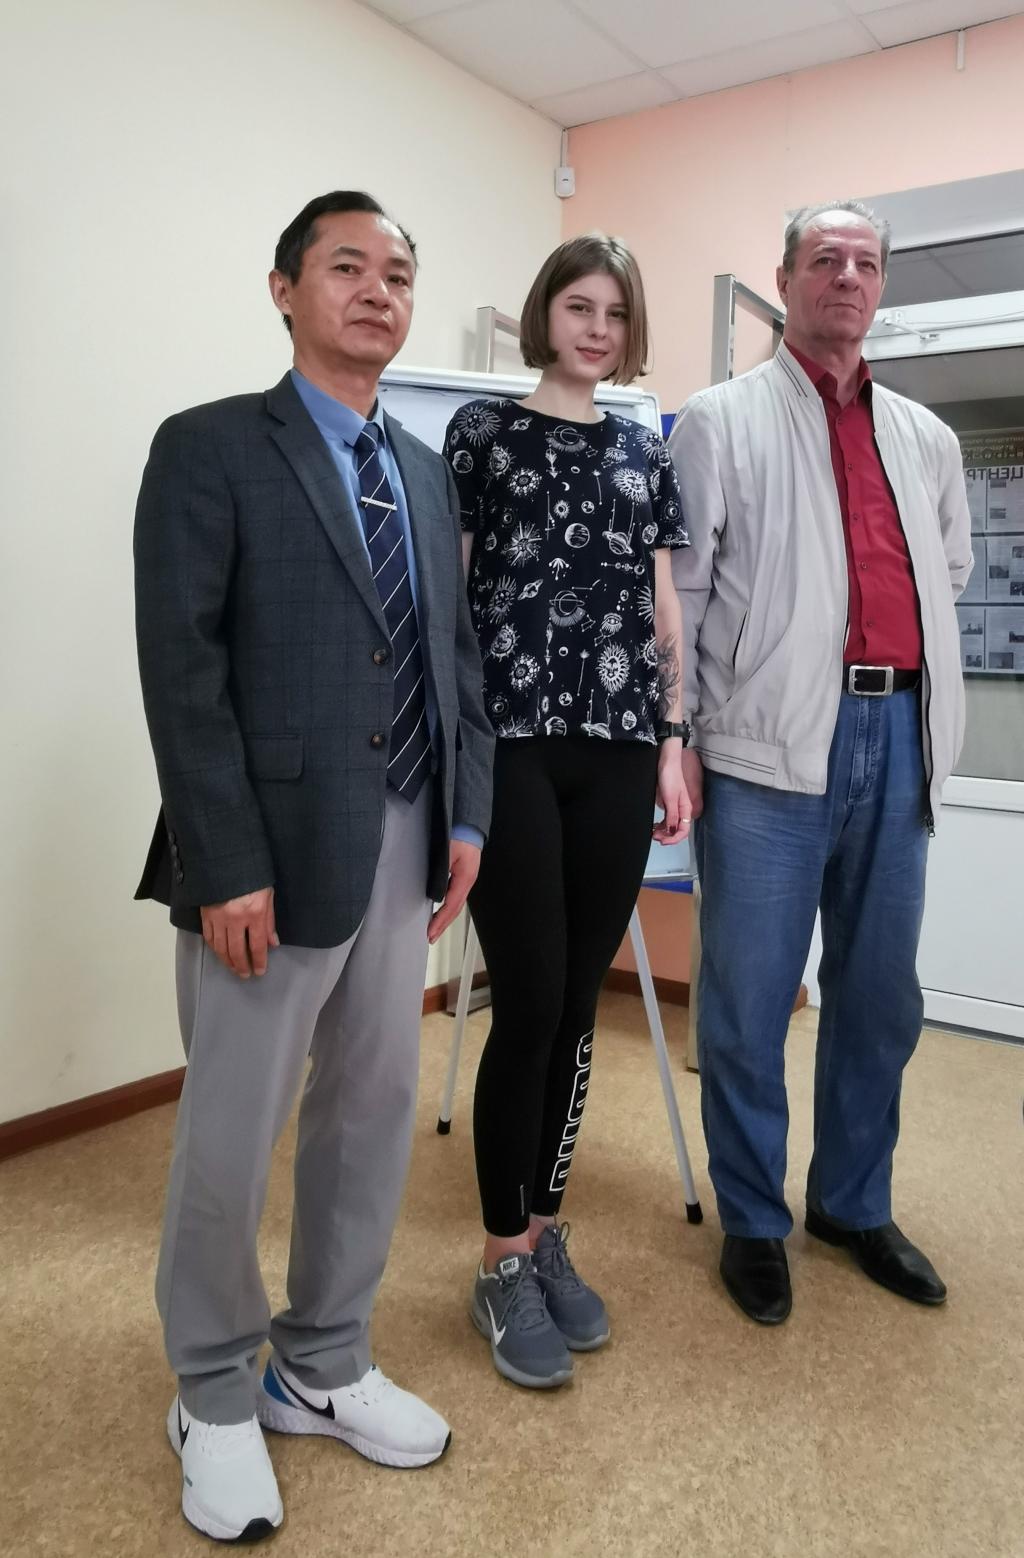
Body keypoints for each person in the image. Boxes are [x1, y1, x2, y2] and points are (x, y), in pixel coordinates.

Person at [134, 190, 493, 1542]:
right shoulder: (211, 447)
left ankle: (324, 1356)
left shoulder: (426, 469)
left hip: (405, 841)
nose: (378, 290)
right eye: (348, 266)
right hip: (263, 857)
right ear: (285, 288)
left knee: (372, 1106)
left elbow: (454, 658)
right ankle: (213, 1387)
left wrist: (467, 819)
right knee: (233, 1126)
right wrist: (223, 859)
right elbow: (183, 669)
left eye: (398, 271)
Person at [668, 200, 972, 1325]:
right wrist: (677, 738)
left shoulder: (926, 440)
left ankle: (850, 1203)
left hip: (899, 738)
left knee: (880, 996)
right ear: (788, 279)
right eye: (824, 259)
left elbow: (943, 574)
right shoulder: (718, 421)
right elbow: (679, 594)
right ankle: (755, 1219)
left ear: (880, 286)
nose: (847, 276)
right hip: (764, 747)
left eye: (865, 262)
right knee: (748, 1001)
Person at [444, 233, 691, 1390]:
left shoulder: (646, 450)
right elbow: (451, 601)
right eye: (579, 306)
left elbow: (661, 611)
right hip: (510, 747)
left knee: (579, 1006)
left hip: (621, 749)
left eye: (615, 313)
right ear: (545, 313)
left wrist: (674, 741)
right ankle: (500, 1255)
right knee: (531, 998)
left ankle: (543, 1232)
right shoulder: (480, 435)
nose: (597, 328)